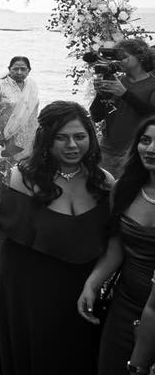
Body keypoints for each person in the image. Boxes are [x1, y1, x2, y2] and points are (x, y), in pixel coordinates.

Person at [0, 101, 110, 375]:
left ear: (91, 136)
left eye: (79, 136)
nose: (72, 145)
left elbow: (115, 243)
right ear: (46, 139)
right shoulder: (19, 177)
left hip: (79, 288)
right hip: (23, 288)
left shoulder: (103, 182)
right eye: (61, 138)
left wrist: (95, 282)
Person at [81, 113, 155, 374]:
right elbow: (117, 246)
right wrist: (93, 282)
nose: (151, 149)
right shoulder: (124, 188)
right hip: (125, 303)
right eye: (145, 140)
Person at [90, 38, 155, 174]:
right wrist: (100, 94)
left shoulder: (151, 85)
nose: (119, 61)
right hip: (107, 148)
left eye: (124, 57)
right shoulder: (116, 81)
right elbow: (96, 116)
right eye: (117, 57)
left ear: (140, 57)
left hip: (134, 151)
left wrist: (125, 94)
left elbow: (151, 115)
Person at [0, 56, 40, 159]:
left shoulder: (32, 86)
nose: (19, 72)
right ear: (9, 69)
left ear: (29, 71)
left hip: (29, 136)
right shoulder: (0, 86)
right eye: (15, 69)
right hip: (7, 136)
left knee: (27, 166)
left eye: (23, 69)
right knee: (7, 167)